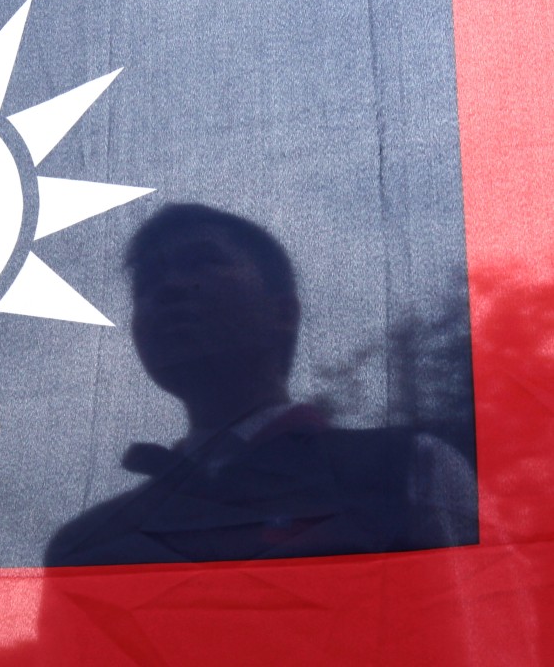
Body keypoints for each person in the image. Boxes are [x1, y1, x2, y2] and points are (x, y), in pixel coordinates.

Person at [46, 204, 476, 565]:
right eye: (147, 282)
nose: (169, 287)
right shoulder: (86, 547)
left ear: (283, 313)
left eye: (202, 262)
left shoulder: (406, 470)